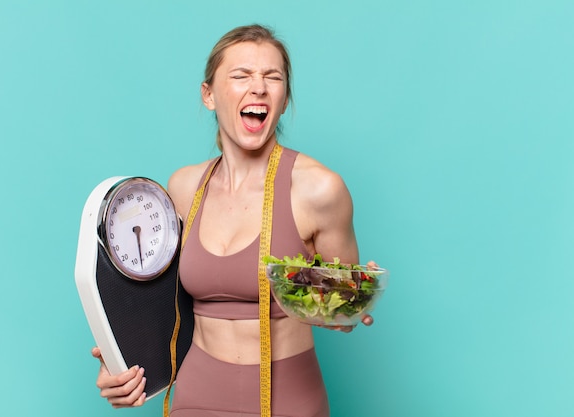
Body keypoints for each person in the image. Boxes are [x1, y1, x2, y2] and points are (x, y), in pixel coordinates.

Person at [91, 23, 373, 416]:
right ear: (208, 95)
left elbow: (339, 312)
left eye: (272, 77)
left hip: (287, 401)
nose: (258, 87)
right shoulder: (185, 186)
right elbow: (162, 303)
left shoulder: (318, 190)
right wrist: (119, 361)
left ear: (284, 96)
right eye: (241, 75)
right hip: (196, 396)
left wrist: (350, 300)